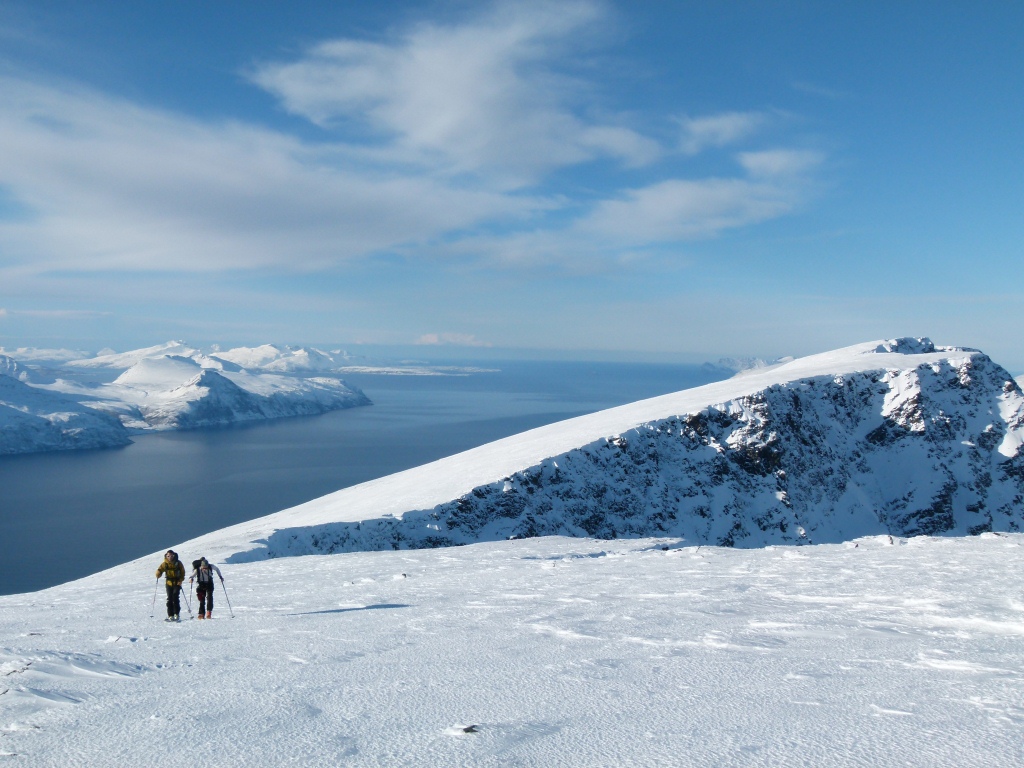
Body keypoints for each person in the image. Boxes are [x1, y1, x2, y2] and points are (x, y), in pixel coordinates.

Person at [155, 550, 185, 621]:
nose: (170, 557)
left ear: (173, 555)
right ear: (166, 556)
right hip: (168, 583)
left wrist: (181, 580)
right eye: (168, 556)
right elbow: (160, 570)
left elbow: (182, 572)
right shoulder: (165, 564)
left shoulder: (178, 563)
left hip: (177, 582)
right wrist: (158, 573)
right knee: (169, 598)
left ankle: (176, 614)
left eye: (171, 556)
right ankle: (170, 615)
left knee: (175, 597)